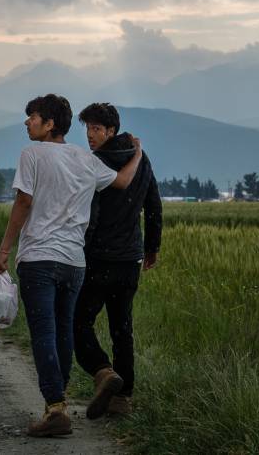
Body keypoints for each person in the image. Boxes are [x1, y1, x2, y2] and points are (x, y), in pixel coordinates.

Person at [0, 94, 142, 437]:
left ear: (50, 124)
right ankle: (57, 402)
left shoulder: (31, 154)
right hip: (74, 262)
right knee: (61, 331)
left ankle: (56, 407)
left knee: (43, 331)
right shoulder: (84, 158)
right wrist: (138, 154)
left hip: (39, 259)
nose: (27, 122)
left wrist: (3, 250)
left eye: (32, 117)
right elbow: (122, 182)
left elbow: (24, 201)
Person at [72, 103, 162, 419]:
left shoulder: (96, 162)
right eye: (87, 129)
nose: (90, 136)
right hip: (131, 258)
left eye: (96, 129)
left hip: (99, 257)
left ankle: (103, 372)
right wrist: (152, 247)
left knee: (78, 322)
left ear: (111, 131)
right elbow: (153, 205)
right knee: (122, 327)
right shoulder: (142, 159)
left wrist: (82, 252)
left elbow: (91, 213)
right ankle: (123, 398)